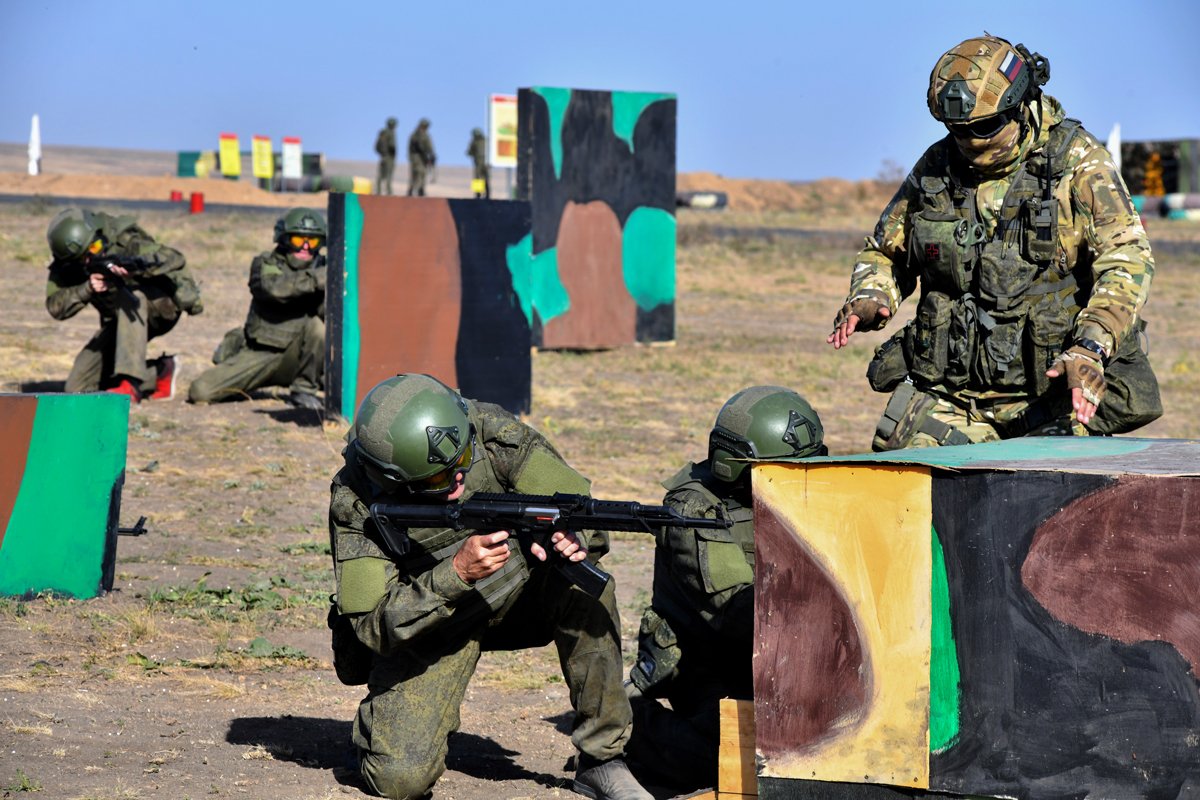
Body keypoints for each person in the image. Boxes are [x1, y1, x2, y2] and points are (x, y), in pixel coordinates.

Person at [327, 373, 653, 800]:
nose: (458, 480)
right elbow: (372, 625)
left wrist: (573, 540)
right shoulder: (356, 500)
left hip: (517, 598)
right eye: (439, 480)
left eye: (462, 461)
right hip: (432, 624)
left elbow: (579, 510)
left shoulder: (493, 435)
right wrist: (455, 575)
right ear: (394, 480)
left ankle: (602, 760)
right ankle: (375, 736)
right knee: (397, 781)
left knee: (585, 586)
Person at [826, 34, 1160, 450]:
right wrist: (872, 296)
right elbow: (886, 251)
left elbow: (1127, 258)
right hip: (955, 398)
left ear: (1019, 107)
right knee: (904, 486)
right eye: (957, 129)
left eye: (983, 127)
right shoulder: (936, 168)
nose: (968, 140)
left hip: (1050, 400)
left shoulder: (1077, 163)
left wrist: (1092, 344)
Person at [625, 386, 826, 792]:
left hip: (779, 661)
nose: (805, 480)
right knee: (737, 761)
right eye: (788, 470)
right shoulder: (694, 512)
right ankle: (624, 727)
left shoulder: (792, 496)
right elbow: (740, 614)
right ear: (736, 466)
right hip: (710, 667)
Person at [45, 207, 203, 402]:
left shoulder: (124, 239)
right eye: (86, 256)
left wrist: (135, 272)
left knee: (134, 296)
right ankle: (160, 372)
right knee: (77, 388)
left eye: (95, 247)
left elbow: (174, 258)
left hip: (159, 309)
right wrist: (87, 288)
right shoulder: (68, 265)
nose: (94, 255)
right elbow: (55, 307)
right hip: (121, 322)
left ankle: (131, 384)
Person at [187, 208, 326, 411]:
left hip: (304, 356)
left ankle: (304, 389)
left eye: (312, 242)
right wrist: (320, 279)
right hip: (262, 353)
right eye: (298, 240)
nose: (305, 247)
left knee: (318, 328)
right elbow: (275, 288)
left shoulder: (326, 268)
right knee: (200, 391)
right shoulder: (266, 264)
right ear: (284, 239)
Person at [407, 118, 436, 197]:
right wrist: (427, 155)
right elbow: (420, 147)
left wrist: (432, 155)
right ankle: (413, 190)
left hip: (423, 158)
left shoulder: (424, 135)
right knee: (417, 173)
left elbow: (429, 146)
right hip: (417, 158)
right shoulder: (417, 135)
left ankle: (420, 190)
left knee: (423, 173)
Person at [375, 117, 398, 196]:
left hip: (383, 156)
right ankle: (389, 191)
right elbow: (392, 145)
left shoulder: (382, 133)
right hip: (389, 157)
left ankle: (378, 190)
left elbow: (376, 147)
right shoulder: (390, 133)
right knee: (388, 174)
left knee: (381, 175)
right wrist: (394, 153)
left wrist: (382, 153)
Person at [467, 127, 489, 198]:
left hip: (479, 162)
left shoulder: (474, 141)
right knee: (485, 177)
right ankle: (486, 193)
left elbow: (469, 152)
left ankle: (478, 194)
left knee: (478, 177)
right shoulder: (486, 140)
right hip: (485, 162)